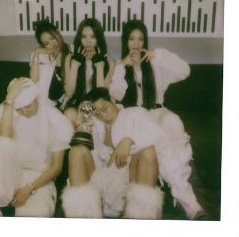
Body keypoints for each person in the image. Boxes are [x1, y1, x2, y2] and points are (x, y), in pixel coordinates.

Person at [109, 19, 204, 220]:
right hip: (137, 119)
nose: (136, 44)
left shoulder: (155, 63)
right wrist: (122, 67)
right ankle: (188, 204)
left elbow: (185, 70)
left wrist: (158, 55)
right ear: (126, 41)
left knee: (173, 123)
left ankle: (190, 204)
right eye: (132, 39)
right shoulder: (121, 66)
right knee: (163, 147)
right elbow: (116, 94)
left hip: (159, 113)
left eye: (140, 39)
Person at [0, 78, 73, 217]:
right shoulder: (9, 111)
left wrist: (29, 189)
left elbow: (56, 167)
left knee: (35, 213)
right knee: (0, 144)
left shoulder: (55, 118)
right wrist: (8, 102)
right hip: (9, 172)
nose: (24, 112)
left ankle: (0, 210)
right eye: (19, 109)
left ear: (37, 98)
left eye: (28, 106)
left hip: (39, 179)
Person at [61, 87, 165, 220]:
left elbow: (157, 132)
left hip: (126, 177)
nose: (103, 116)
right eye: (98, 114)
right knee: (76, 151)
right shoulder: (93, 122)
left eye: (104, 109)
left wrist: (128, 140)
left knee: (148, 151)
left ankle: (142, 218)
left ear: (112, 100)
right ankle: (82, 218)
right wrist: (83, 122)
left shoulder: (134, 113)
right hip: (99, 178)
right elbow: (70, 126)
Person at [64, 18, 115, 125]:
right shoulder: (70, 58)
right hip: (77, 104)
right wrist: (75, 66)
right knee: (69, 114)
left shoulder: (109, 61)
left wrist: (99, 67)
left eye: (93, 37)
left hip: (98, 107)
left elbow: (102, 97)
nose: (88, 41)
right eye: (84, 36)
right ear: (79, 38)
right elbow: (69, 93)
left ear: (99, 39)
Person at [30, 19, 70, 110]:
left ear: (58, 33)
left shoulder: (71, 51)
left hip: (61, 102)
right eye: (46, 43)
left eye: (52, 38)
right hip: (40, 100)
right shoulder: (40, 55)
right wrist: (37, 53)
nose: (52, 44)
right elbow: (34, 79)